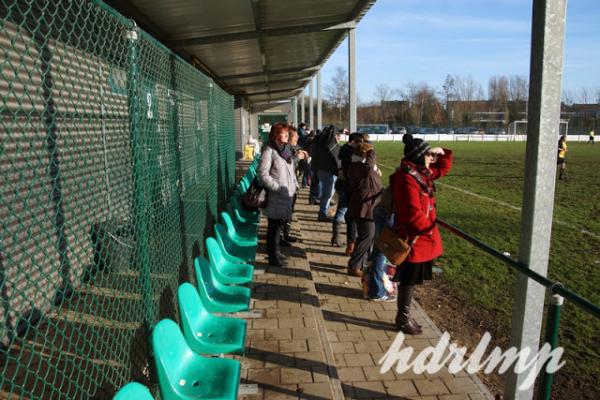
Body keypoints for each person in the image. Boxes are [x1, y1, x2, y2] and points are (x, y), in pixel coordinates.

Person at [391, 134, 452, 334]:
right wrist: (428, 228)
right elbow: (413, 213)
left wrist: (441, 152)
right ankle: (402, 319)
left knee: (412, 279)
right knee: (409, 278)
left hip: (422, 237)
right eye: (427, 155)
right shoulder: (408, 178)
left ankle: (404, 317)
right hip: (416, 238)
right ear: (418, 156)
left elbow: (442, 169)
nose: (430, 159)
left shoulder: (419, 172)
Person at [257, 123, 298, 267]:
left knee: (279, 226)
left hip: (287, 195)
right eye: (284, 133)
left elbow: (290, 171)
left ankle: (277, 252)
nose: (287, 136)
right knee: (273, 228)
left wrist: (294, 185)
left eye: (287, 134)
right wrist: (277, 187)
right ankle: (273, 257)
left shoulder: (285, 150)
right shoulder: (269, 150)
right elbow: (262, 173)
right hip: (276, 196)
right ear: (275, 135)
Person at [346, 142, 383, 277]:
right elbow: (368, 167)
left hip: (364, 205)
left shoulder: (358, 166)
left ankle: (360, 263)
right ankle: (354, 265)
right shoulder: (362, 167)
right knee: (367, 236)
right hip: (365, 206)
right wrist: (372, 151)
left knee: (366, 236)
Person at [332, 132, 362, 251]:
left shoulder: (344, 149)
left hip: (342, 183)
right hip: (347, 185)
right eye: (359, 142)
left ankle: (335, 237)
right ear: (354, 142)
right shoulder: (351, 153)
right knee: (347, 214)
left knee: (342, 211)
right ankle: (347, 242)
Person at [282, 127, 308, 245]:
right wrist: (298, 157)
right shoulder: (285, 149)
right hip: (286, 185)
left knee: (290, 210)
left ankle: (286, 233)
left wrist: (304, 159)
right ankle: (282, 235)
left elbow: (300, 168)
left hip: (293, 183)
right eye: (294, 136)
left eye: (297, 136)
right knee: (286, 210)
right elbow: (287, 164)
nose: (297, 138)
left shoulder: (294, 148)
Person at [311, 125, 341, 221]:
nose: (339, 137)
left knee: (327, 194)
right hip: (328, 172)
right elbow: (336, 161)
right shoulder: (330, 145)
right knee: (327, 195)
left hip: (322, 171)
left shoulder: (322, 143)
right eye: (338, 135)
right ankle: (323, 213)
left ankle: (324, 211)